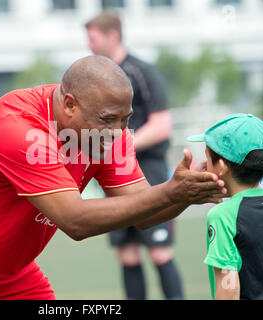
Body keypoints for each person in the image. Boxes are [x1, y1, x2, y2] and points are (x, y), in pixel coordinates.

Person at [0, 56, 226, 300]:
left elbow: (146, 213)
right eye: (109, 119)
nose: (119, 132)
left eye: (126, 118)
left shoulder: (106, 131)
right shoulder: (17, 129)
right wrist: (171, 193)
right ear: (70, 105)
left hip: (2, 267)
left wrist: (184, 193)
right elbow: (75, 220)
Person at [85, 11, 183, 300]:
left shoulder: (143, 71)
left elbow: (162, 125)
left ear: (112, 36)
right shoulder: (95, 80)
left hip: (147, 169)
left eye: (93, 39)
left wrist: (121, 146)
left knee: (159, 251)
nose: (88, 46)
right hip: (111, 175)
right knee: (127, 254)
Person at [188, 113, 263, 300]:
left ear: (221, 167)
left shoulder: (222, 215)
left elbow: (228, 288)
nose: (204, 166)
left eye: (207, 158)